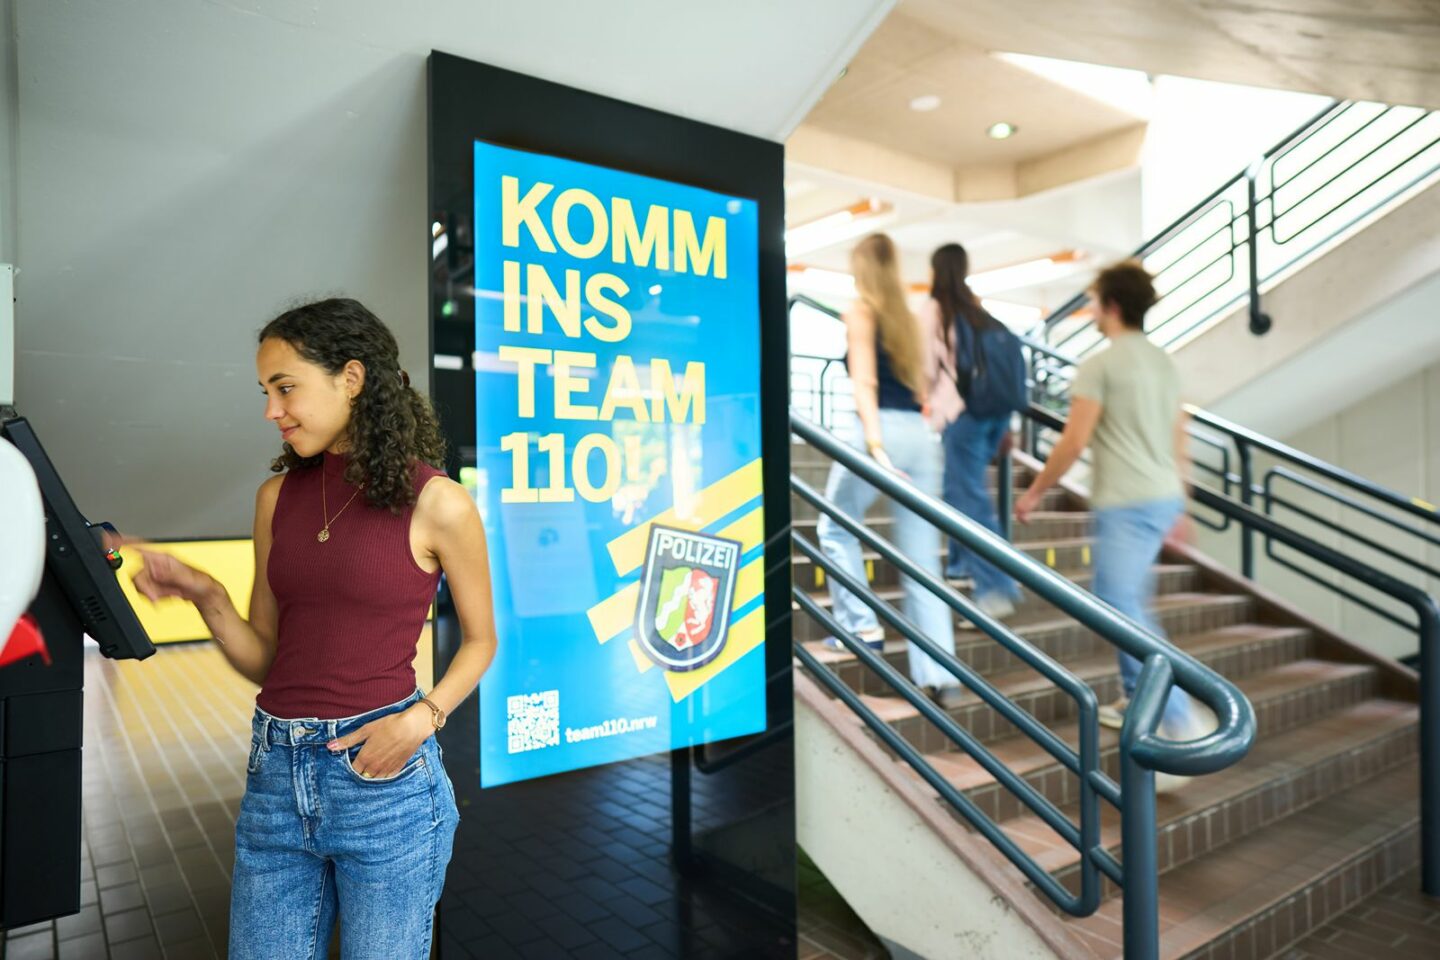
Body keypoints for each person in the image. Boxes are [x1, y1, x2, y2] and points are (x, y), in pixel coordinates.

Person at [121, 299, 498, 959]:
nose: (272, 410)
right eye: (266, 392)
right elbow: (267, 659)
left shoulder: (437, 501)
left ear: (351, 378)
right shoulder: (277, 499)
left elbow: (481, 639)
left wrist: (424, 716)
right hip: (275, 774)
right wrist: (205, 594)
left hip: (387, 778)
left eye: (286, 387)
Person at [1013, 262, 1206, 743]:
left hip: (1127, 498)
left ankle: (1174, 711)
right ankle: (1135, 690)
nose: (1091, 311)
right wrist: (1183, 502)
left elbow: (1074, 440)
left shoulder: (1099, 365)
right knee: (1124, 595)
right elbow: (1178, 432)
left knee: (1118, 603)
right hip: (1160, 494)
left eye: (1095, 301)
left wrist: (1035, 491)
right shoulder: (1162, 360)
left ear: (1113, 306)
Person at [817, 233, 960, 707]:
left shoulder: (861, 310)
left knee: (834, 526)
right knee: (922, 561)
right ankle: (938, 675)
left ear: (861, 267)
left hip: (881, 432)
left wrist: (874, 445)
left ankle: (861, 627)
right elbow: (923, 386)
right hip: (921, 438)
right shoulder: (906, 317)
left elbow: (865, 381)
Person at [923, 243, 1023, 620]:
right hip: (993, 414)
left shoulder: (937, 309)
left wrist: (921, 399)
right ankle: (960, 568)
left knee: (967, 498)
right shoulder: (977, 310)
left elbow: (925, 369)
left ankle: (996, 587)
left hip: (962, 413)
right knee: (961, 491)